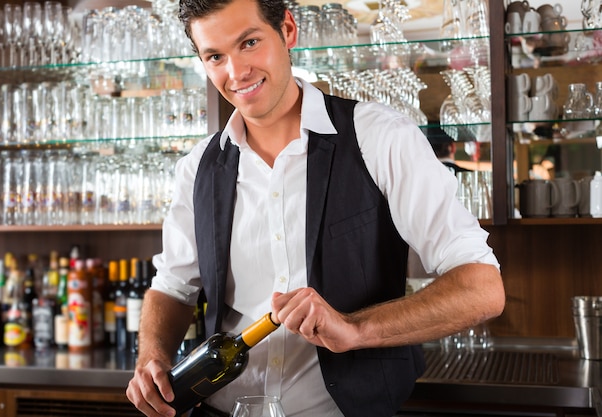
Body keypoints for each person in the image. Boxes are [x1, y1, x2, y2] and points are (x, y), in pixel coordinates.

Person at [125, 0, 505, 416]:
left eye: (249, 43)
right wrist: (152, 356)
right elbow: (173, 288)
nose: (236, 73)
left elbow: (481, 289)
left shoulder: (379, 138)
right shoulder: (197, 167)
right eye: (215, 56)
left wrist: (355, 329)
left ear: (288, 31)